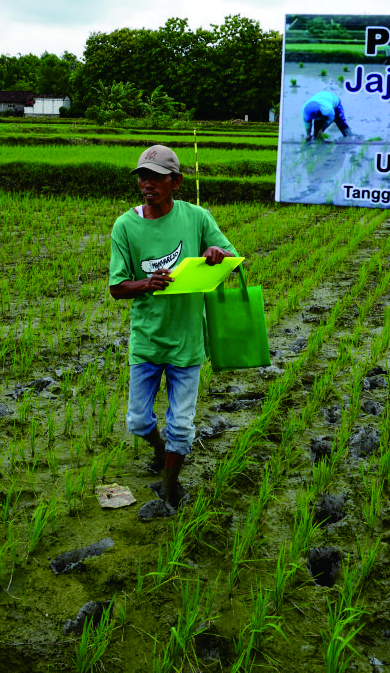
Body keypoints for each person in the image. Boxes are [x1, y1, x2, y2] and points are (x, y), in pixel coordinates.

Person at [108, 145, 237, 509]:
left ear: (175, 182)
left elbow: (233, 259)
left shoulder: (197, 218)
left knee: (181, 425)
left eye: (156, 178)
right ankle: (160, 449)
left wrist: (217, 253)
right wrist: (147, 283)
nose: (147, 184)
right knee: (137, 421)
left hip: (187, 341)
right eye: (142, 177)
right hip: (147, 339)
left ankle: (169, 487)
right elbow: (117, 287)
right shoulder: (125, 226)